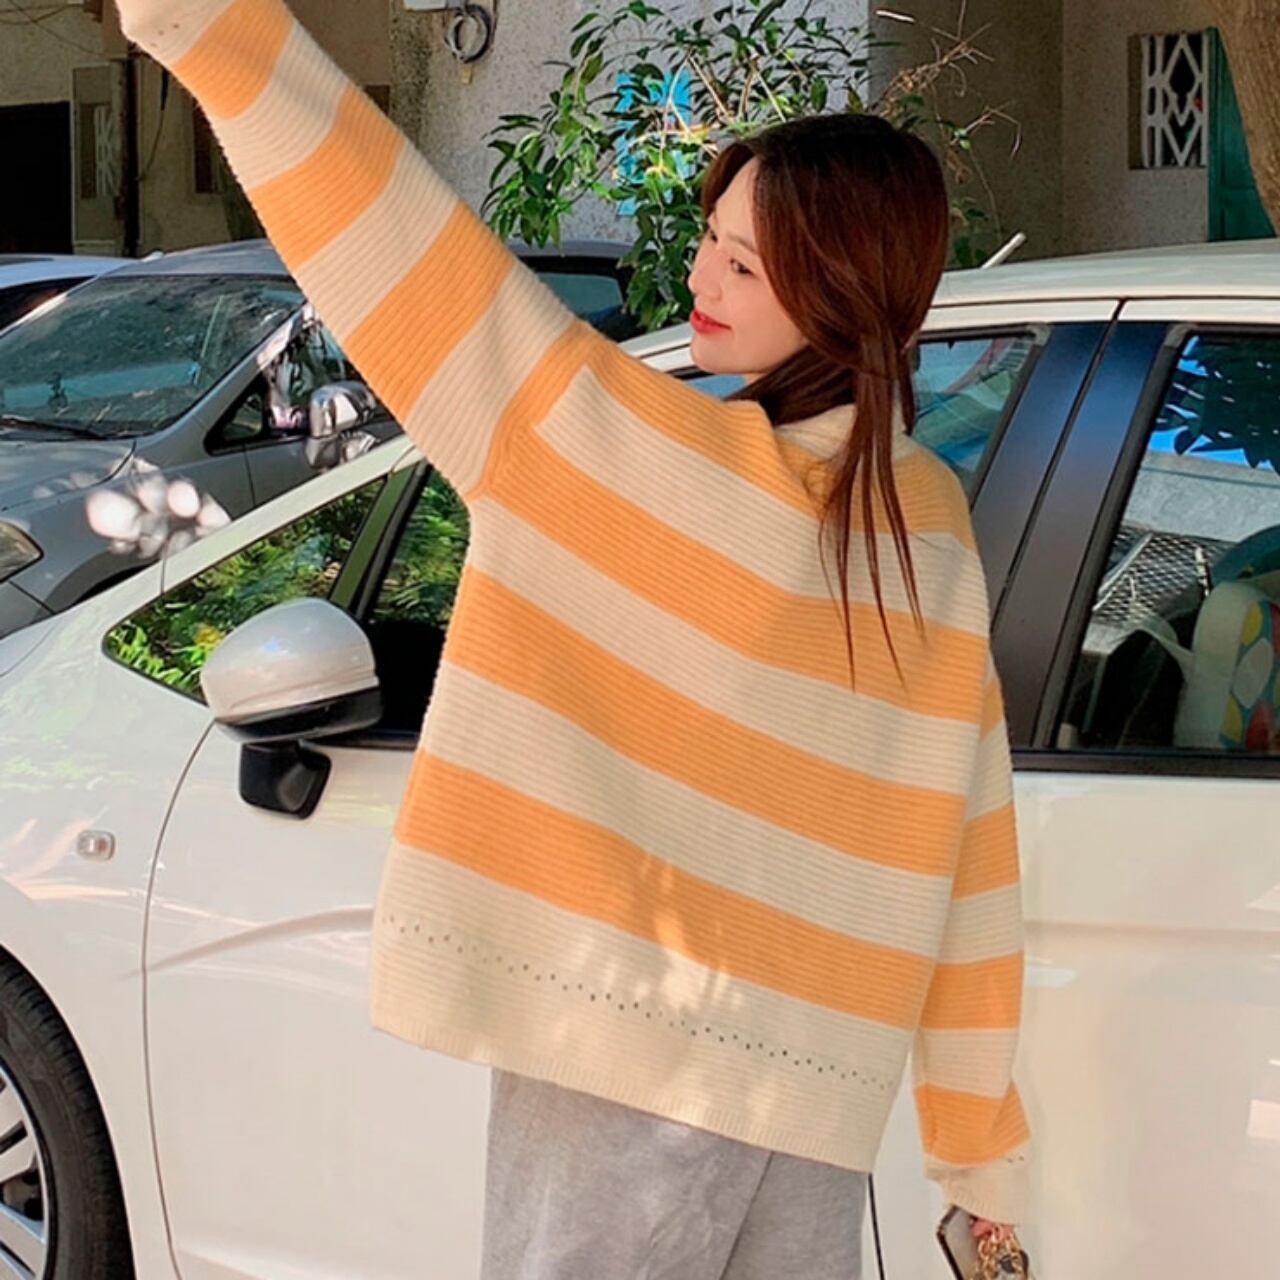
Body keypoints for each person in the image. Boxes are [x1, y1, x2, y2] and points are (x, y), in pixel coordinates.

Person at [118, 2, 1031, 1274]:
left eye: (743, 265)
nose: (702, 279)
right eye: (710, 241)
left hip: (627, 1067)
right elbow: (970, 841)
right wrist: (976, 1150)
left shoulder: (636, 457)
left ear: (839, 289)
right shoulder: (920, 519)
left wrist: (218, 31)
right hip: (812, 1101)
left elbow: (405, 250)